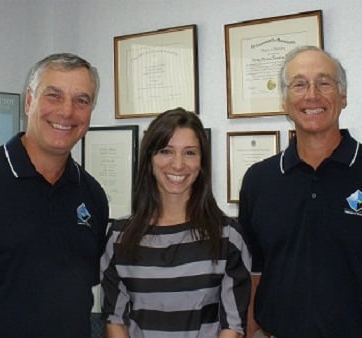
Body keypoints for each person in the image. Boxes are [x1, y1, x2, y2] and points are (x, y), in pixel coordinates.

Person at [0, 53, 109, 338]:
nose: (67, 111)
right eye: (54, 95)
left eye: (82, 100)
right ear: (29, 101)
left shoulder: (92, 195)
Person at [239, 45, 362, 338]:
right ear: (285, 100)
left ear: (343, 96)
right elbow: (255, 274)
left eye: (324, 82)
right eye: (299, 84)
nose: (312, 95)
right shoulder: (259, 180)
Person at [100, 108, 251, 338]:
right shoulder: (120, 237)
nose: (178, 165)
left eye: (190, 153)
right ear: (149, 158)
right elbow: (115, 320)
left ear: (202, 162)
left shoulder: (228, 236)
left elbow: (233, 326)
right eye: (166, 151)